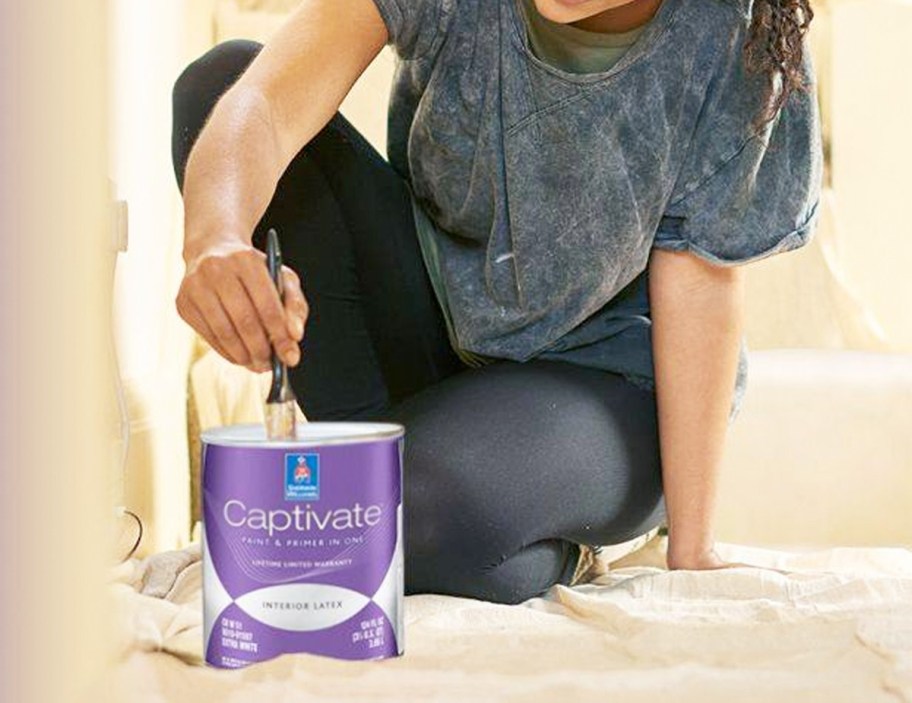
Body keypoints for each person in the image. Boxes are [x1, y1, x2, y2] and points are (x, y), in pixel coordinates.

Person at [171, 0, 821, 604]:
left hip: (604, 384)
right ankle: (415, 489)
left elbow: (698, 283)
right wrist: (215, 239)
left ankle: (547, 536)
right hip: (433, 319)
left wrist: (693, 546)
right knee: (220, 83)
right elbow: (262, 100)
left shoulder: (734, 38)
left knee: (403, 508)